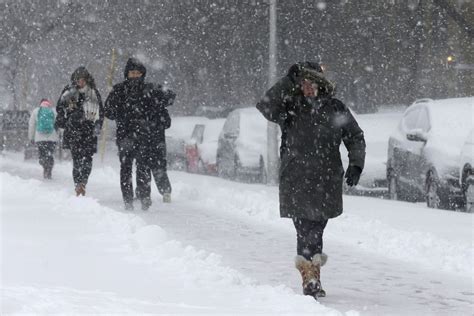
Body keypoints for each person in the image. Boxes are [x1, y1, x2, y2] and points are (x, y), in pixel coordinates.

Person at [256, 61, 366, 299]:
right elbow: (265, 105)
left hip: (326, 179)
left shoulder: (335, 108)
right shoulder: (290, 108)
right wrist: (287, 80)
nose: (307, 88)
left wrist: (356, 164)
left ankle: (312, 275)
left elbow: (355, 136)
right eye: (303, 83)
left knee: (317, 227)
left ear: (321, 85)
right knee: (304, 228)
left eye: (312, 83)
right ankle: (310, 279)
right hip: (296, 178)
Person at [105, 57, 175, 211]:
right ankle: (128, 200)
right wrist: (120, 112)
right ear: (127, 74)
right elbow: (108, 111)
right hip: (125, 135)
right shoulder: (119, 90)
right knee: (126, 168)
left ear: (142, 74)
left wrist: (161, 99)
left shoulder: (149, 89)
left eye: (138, 73)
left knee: (143, 167)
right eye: (132, 73)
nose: (135, 75)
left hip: (144, 136)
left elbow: (169, 97)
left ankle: (144, 197)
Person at [55, 66, 104, 196]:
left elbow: (101, 112)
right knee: (76, 159)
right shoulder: (68, 92)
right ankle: (78, 184)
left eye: (83, 80)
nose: (80, 82)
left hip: (89, 131)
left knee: (88, 158)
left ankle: (83, 182)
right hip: (73, 131)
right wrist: (64, 122)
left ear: (87, 80)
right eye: (78, 80)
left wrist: (98, 126)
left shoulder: (94, 93)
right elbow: (60, 108)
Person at [28, 99, 59, 179]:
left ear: (40, 103)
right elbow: (58, 124)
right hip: (52, 138)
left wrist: (31, 137)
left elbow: (32, 125)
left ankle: (45, 166)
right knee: (50, 154)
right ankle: (49, 169)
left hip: (40, 138)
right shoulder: (53, 111)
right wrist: (59, 136)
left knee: (42, 154)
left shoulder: (36, 111)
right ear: (49, 104)